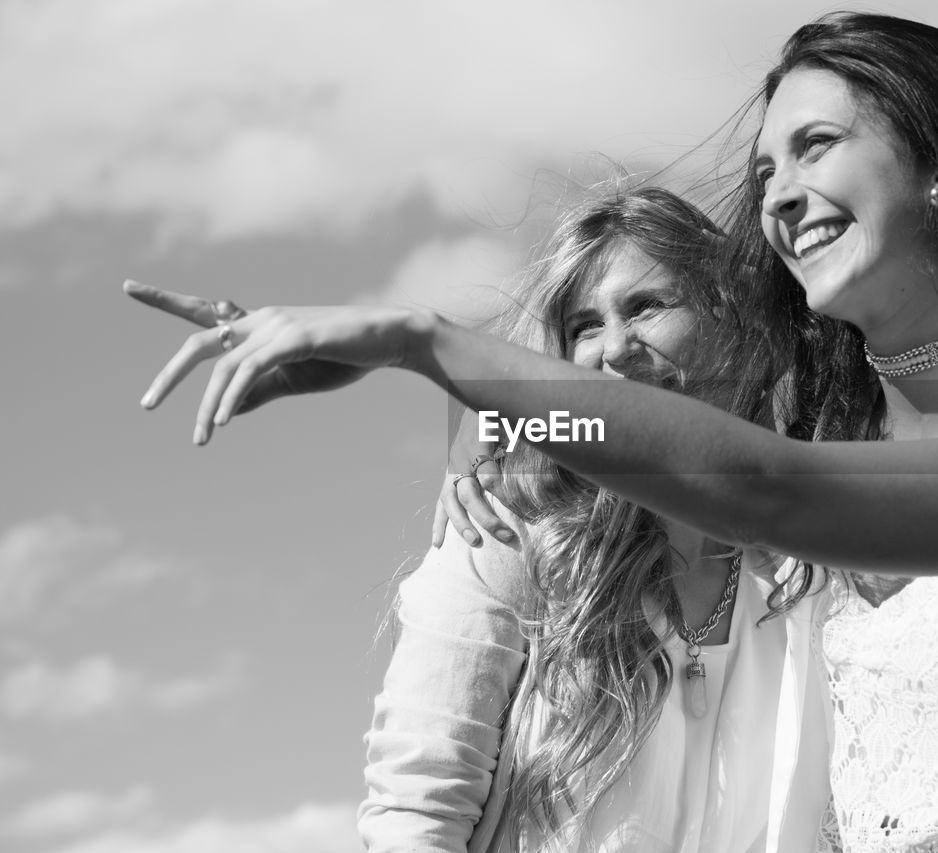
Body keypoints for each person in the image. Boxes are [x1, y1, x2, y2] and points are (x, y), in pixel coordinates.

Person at [130, 13, 938, 852]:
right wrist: (518, 438)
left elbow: (765, 482)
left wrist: (429, 348)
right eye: (764, 167)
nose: (777, 192)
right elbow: (713, 461)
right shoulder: (828, 449)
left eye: (816, 145)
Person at [127, 186, 834, 852]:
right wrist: (485, 408)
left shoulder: (811, 554)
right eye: (585, 326)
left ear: (729, 315)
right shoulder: (507, 527)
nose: (614, 348)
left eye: (646, 306)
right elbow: (414, 810)